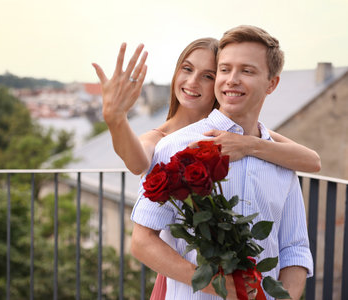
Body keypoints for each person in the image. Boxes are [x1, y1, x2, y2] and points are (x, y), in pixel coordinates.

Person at [93, 36, 319, 299]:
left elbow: (311, 163)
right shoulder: (168, 143)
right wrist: (115, 118)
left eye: (208, 75)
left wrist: (248, 145)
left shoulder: (274, 153)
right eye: (224, 69)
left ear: (271, 84)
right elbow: (137, 162)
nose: (192, 82)